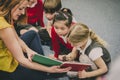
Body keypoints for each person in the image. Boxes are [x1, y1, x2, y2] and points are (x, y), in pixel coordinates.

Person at [0, 0, 71, 80]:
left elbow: (17, 39)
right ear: (10, 5)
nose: (23, 12)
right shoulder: (4, 27)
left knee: (32, 34)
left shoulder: (4, 16)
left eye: (24, 8)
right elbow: (21, 60)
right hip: (6, 70)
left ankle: (44, 65)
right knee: (44, 77)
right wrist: (49, 69)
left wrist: (28, 50)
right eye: (20, 9)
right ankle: (46, 71)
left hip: (8, 53)